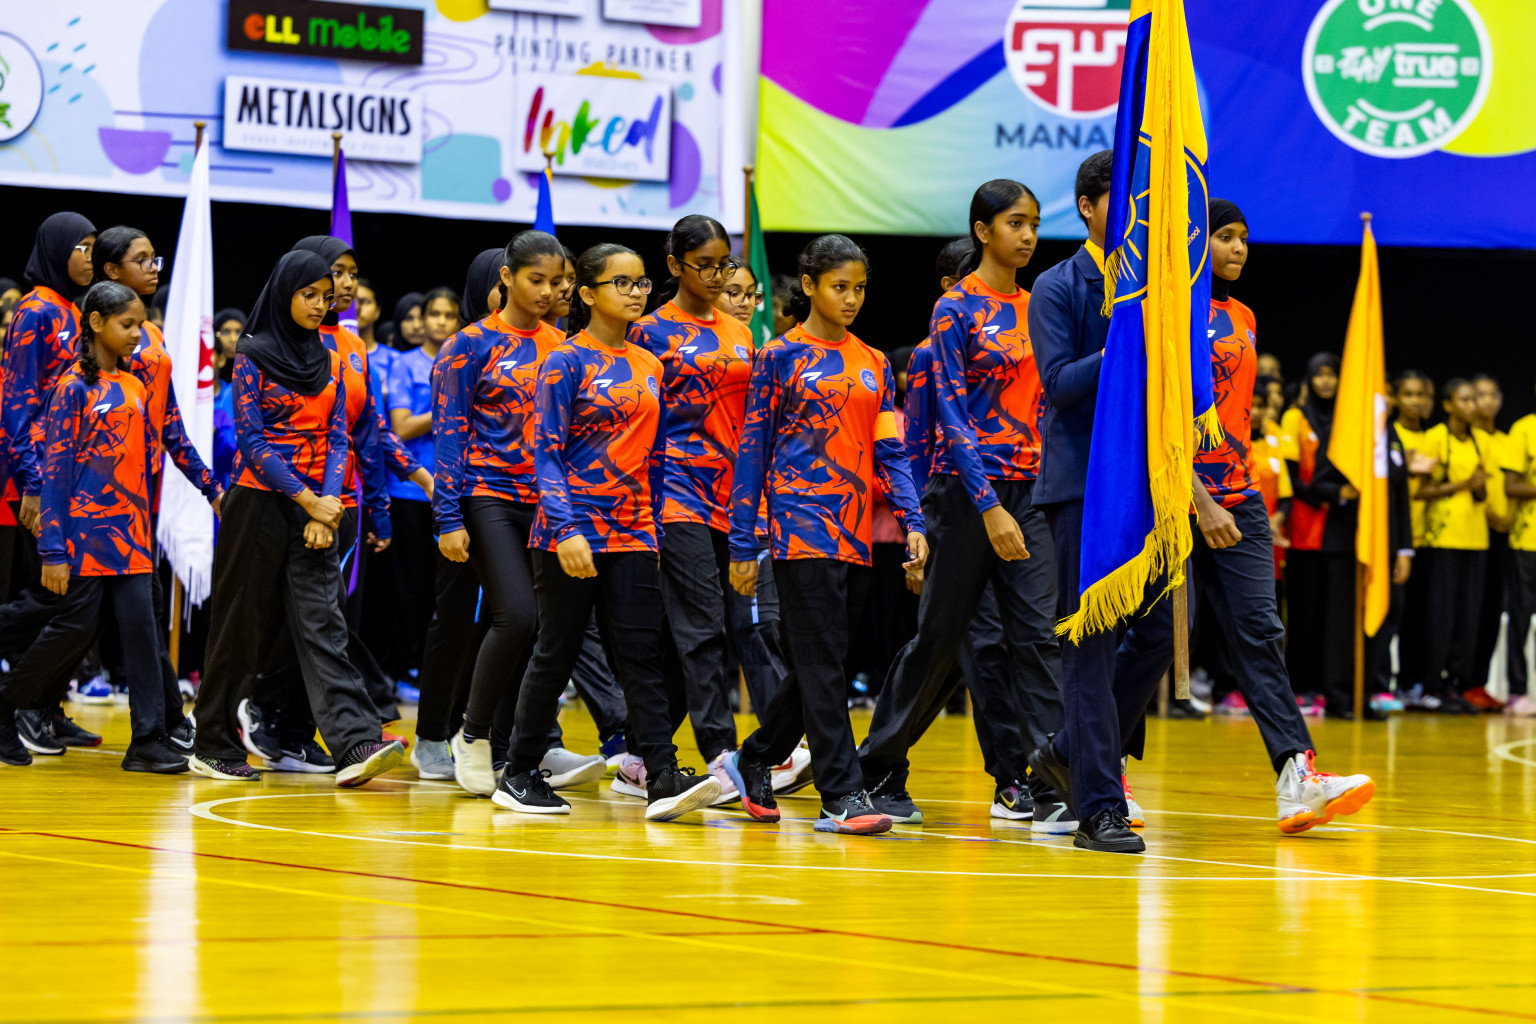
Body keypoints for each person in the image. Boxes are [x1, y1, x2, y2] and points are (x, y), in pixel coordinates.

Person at [857, 180, 1065, 830]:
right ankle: (880, 767)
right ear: (982, 230)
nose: (1026, 235)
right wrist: (985, 506)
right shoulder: (957, 309)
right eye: (1013, 222)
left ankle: (1056, 778)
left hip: (1029, 489)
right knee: (941, 640)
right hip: (965, 491)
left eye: (1032, 223)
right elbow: (946, 413)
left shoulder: (1039, 305)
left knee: (1038, 635)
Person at [495, 243, 718, 820]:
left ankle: (661, 776)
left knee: (642, 654)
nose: (637, 293)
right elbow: (543, 452)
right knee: (557, 650)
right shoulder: (565, 361)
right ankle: (518, 773)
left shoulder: (650, 365)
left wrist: (659, 527)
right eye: (622, 283)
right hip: (570, 531)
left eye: (642, 284)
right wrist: (566, 528)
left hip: (635, 531)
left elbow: (658, 454)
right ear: (588, 294)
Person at [722, 234, 927, 837]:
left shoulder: (874, 361)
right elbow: (752, 452)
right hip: (797, 526)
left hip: (856, 529)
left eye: (860, 287)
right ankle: (842, 792)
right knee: (820, 658)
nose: (853, 298)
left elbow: (891, 449)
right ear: (809, 286)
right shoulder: (779, 358)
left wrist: (913, 520)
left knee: (826, 659)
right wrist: (742, 543)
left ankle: (756, 755)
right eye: (841, 286)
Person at [1184, 199, 1374, 829]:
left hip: (1240, 497)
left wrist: (1226, 495)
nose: (1238, 249)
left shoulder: (1244, 316)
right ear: (1195, 240)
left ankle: (1297, 776)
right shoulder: (1164, 315)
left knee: (1262, 634)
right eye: (1224, 237)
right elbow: (1155, 419)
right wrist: (1196, 498)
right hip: (1175, 500)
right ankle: (1087, 764)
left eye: (1243, 239)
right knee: (1149, 644)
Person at [190, 250, 403, 785]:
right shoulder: (253, 354)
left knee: (323, 625)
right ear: (286, 292)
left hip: (317, 509)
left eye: (326, 297)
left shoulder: (328, 359)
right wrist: (310, 500)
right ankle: (211, 740)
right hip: (258, 502)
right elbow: (253, 442)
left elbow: (338, 437)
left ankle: (355, 742)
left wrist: (326, 508)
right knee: (238, 626)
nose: (319, 304)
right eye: (310, 294)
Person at [237, 235, 428, 772]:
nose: (344, 285)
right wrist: (310, 504)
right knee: (298, 621)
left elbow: (364, 430)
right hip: (282, 501)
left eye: (350, 274)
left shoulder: (352, 348)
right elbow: (264, 439)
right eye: (333, 275)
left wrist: (403, 487)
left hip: (340, 503)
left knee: (321, 619)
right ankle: (267, 712)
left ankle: (293, 727)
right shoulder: (268, 346)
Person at [0, 282, 209, 771]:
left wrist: (210, 489)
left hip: (133, 537)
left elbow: (156, 451)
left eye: (140, 324)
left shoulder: (136, 386)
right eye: (128, 325)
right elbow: (55, 474)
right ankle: (7, 705)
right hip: (84, 540)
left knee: (142, 633)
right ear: (95, 324)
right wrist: (53, 549)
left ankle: (148, 740)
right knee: (73, 631)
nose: (138, 335)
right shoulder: (71, 388)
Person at [1024, 151, 1165, 854]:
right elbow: (1058, 383)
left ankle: (1070, 749)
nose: (1135, 211)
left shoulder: (1158, 285)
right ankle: (1099, 805)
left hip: (1147, 489)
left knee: (1160, 634)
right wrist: (1129, 342)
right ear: (1087, 205)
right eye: (1121, 198)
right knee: (1088, 644)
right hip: (1082, 484)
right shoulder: (1057, 286)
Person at [435, 232, 609, 796]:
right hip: (488, 495)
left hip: (550, 502)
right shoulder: (469, 345)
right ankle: (473, 734)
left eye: (556, 282)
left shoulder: (566, 346)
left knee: (544, 627)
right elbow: (449, 435)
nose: (548, 291)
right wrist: (447, 517)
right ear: (507, 278)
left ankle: (522, 748)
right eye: (536, 280)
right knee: (516, 613)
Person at [629, 214, 771, 804]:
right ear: (674, 266)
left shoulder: (742, 334)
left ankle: (640, 756)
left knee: (688, 633)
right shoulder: (650, 332)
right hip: (673, 491)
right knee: (702, 625)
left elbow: (752, 423)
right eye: (705, 265)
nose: (716, 276)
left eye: (723, 265)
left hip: (731, 496)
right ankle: (721, 752)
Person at [89, 225, 222, 752]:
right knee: (70, 620)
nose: (153, 268)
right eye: (140, 259)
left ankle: (160, 724)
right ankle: (22, 703)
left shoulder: (157, 339)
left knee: (139, 616)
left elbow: (168, 428)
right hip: (90, 504)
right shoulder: (89, 343)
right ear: (110, 271)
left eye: (155, 258)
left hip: (136, 503)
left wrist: (210, 487)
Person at [0, 212, 100, 748]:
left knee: (71, 601)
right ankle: (17, 705)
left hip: (77, 473)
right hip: (43, 474)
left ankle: (40, 706)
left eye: (92, 246)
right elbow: (17, 403)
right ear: (57, 249)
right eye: (80, 246)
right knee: (54, 598)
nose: (88, 255)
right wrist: (33, 485)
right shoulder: (35, 310)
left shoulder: (73, 309)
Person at [387, 287, 458, 695]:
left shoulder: (462, 361)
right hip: (411, 491)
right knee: (411, 587)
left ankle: (437, 672)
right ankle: (406, 669)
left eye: (450, 315)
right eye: (435, 314)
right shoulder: (403, 365)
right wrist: (448, 409)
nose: (441, 322)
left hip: (455, 490)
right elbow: (401, 427)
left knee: (444, 590)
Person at [1281, 353, 1360, 717]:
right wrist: (1332, 493)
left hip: (1341, 532)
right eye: (1321, 375)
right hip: (1304, 530)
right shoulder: (1295, 418)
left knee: (1336, 616)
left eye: (1333, 375)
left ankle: (1333, 689)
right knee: (1304, 613)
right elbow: (1293, 479)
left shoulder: (1349, 421)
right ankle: (1301, 688)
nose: (1327, 382)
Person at [1412, 379, 1496, 714]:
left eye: (1474, 399)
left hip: (1475, 539)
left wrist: (1477, 488)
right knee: (1440, 616)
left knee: (1467, 617)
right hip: (1442, 538)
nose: (1472, 405)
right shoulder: (1436, 438)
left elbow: (1482, 492)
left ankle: (1456, 685)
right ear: (1448, 405)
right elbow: (1421, 491)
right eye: (1465, 399)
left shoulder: (1482, 442)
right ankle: (1430, 684)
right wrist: (1464, 483)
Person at [1467, 374, 1509, 709]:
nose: (1487, 401)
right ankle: (1459, 678)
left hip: (1503, 534)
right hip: (1474, 531)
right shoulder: (1470, 440)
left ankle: (1477, 681)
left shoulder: (1506, 440)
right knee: (1469, 608)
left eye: (1493, 394)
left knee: (1491, 609)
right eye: (1479, 395)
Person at [1503, 388, 1536, 716]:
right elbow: (1511, 485)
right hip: (1528, 539)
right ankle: (1517, 690)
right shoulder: (1524, 428)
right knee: (1521, 617)